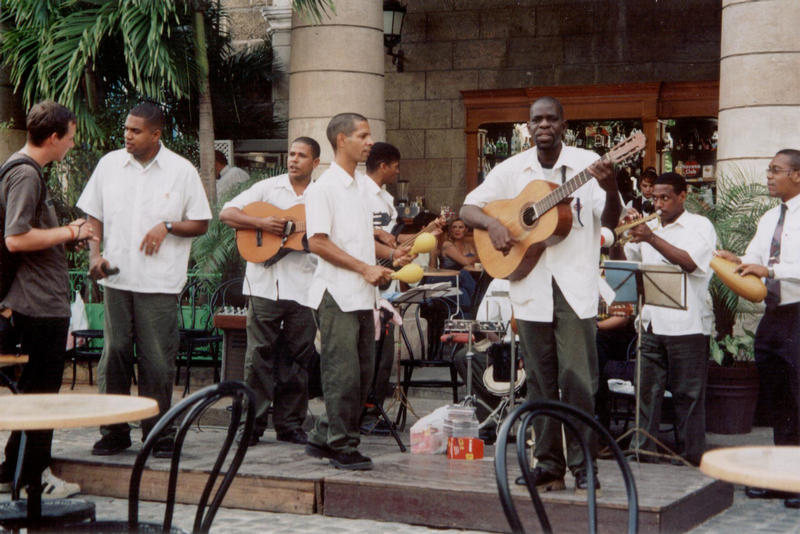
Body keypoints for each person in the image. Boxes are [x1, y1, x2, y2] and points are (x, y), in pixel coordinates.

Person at [460, 96, 620, 492]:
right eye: (536, 120)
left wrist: (611, 184)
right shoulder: (512, 169)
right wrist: (494, 227)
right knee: (539, 379)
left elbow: (612, 219)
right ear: (528, 127)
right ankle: (548, 464)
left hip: (575, 288)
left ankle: (585, 466)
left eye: (551, 119)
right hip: (529, 284)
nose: (543, 125)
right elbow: (468, 209)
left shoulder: (587, 162)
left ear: (564, 125)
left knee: (578, 379)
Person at [78, 102, 212, 458]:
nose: (127, 135)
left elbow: (201, 222)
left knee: (156, 359)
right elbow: (94, 216)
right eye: (126, 129)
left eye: (136, 131)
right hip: (117, 280)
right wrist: (95, 256)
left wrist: (166, 226)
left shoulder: (181, 171)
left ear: (156, 134)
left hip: (159, 283)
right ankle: (114, 431)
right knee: (115, 354)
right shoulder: (109, 165)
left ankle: (159, 433)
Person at [0, 100, 94, 498]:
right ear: (53, 138)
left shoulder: (23, 170)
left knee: (35, 393)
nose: (71, 145)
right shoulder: (26, 175)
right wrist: (71, 233)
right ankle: (35, 477)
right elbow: (16, 237)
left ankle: (13, 468)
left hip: (36, 300)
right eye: (70, 139)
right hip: (38, 306)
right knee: (42, 396)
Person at [303, 112, 406, 471]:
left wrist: (391, 253)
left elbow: (363, 239)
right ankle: (342, 446)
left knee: (363, 374)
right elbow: (317, 242)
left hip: (364, 294)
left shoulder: (364, 187)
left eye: (369, 135)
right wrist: (364, 268)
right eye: (362, 135)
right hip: (336, 293)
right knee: (343, 374)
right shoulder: (322, 188)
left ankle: (324, 436)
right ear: (341, 140)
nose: (369, 142)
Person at [219, 137, 321, 446]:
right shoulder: (268, 188)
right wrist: (262, 221)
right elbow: (227, 213)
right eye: (291, 154)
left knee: (297, 359)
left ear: (315, 163)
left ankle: (290, 425)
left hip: (304, 287)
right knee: (258, 356)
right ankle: (251, 425)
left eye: (302, 156)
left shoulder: (322, 196)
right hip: (264, 286)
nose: (293, 160)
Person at [716, 149, 800, 507]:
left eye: (775, 170)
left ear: (797, 175)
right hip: (776, 315)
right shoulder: (769, 218)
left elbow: (778, 266)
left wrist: (771, 272)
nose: (768, 176)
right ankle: (784, 477)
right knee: (777, 398)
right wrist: (742, 262)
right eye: (769, 170)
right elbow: (756, 257)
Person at [623, 172, 716, 466]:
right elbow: (629, 265)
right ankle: (644, 450)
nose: (659, 204)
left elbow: (691, 263)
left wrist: (651, 238)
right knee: (646, 391)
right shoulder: (648, 225)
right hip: (651, 321)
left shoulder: (700, 226)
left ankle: (691, 455)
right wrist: (626, 232)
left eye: (665, 198)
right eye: (654, 198)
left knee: (687, 395)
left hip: (687, 323)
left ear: (682, 196)